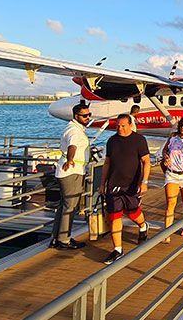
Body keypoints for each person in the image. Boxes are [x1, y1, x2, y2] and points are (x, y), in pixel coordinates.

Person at [99, 113, 151, 264]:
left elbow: (146, 161)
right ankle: (118, 249)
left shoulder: (139, 140)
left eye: (123, 126)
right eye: (117, 126)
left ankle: (143, 225)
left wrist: (144, 181)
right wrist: (102, 184)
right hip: (114, 184)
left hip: (132, 184)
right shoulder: (112, 141)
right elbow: (107, 163)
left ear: (130, 125)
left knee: (133, 212)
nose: (120, 128)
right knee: (114, 216)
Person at [51, 101, 91, 250]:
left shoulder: (73, 128)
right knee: (70, 206)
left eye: (89, 115)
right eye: (85, 116)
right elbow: (72, 146)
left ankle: (57, 237)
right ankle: (63, 240)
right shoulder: (74, 131)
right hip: (72, 171)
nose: (88, 118)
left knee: (64, 205)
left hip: (71, 170)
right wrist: (70, 160)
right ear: (76, 116)